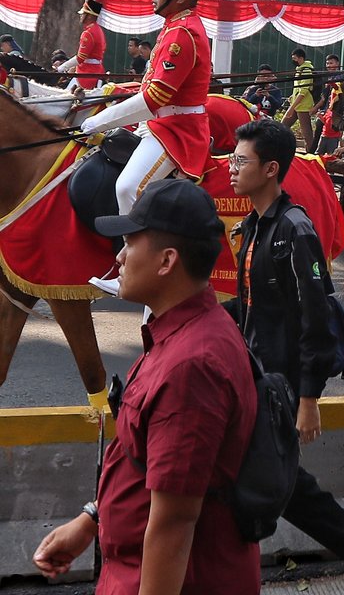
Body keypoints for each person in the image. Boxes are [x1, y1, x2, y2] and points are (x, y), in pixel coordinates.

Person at [33, 179, 259, 593]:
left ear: (167, 260)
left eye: (129, 243)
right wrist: (92, 518)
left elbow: (174, 523)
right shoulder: (179, 335)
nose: (118, 257)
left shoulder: (193, 366)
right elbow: (145, 458)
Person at [226, 119, 344, 594]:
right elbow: (251, 304)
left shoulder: (295, 231)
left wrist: (308, 398)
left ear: (271, 169)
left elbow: (316, 318)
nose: (231, 168)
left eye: (240, 160)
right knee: (278, 477)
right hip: (259, 374)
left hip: (283, 384)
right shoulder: (254, 226)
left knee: (274, 477)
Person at [80, 0, 215, 294]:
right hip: (161, 122)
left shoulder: (182, 33)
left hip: (176, 129)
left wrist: (99, 121)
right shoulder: (174, 26)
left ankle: (134, 267)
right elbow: (149, 87)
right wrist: (110, 97)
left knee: (128, 187)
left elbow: (155, 97)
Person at [56, 0, 107, 89]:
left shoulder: (88, 33)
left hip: (86, 74)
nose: (80, 15)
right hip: (96, 71)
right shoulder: (98, 30)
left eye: (83, 13)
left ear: (90, 16)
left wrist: (62, 67)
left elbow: (80, 58)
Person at [280, 48, 316, 147]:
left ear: (301, 58)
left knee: (306, 133)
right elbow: (298, 89)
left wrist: (291, 108)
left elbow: (303, 91)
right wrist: (292, 97)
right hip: (296, 104)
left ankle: (311, 152)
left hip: (303, 105)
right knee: (283, 126)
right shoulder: (299, 70)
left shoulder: (306, 70)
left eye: (295, 58)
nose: (293, 61)